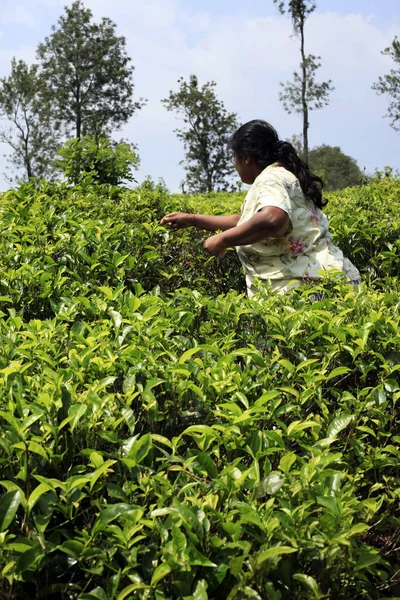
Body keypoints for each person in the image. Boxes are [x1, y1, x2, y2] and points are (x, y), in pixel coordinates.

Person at [160, 119, 360, 296]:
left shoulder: (269, 178)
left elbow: (272, 219)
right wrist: (193, 219)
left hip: (307, 290)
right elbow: (246, 223)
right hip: (332, 281)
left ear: (246, 157)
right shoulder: (281, 175)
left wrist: (222, 240)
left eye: (234, 157)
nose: (234, 164)